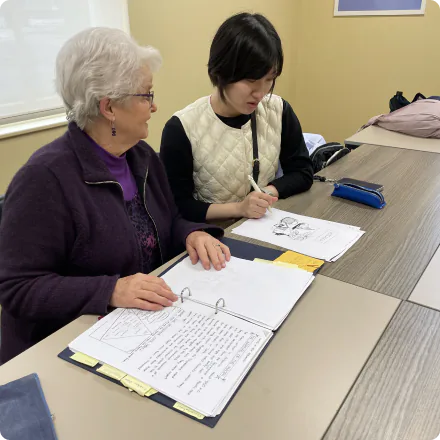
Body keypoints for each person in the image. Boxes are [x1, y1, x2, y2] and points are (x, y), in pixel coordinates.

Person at [0, 28, 230, 364]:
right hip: (66, 350)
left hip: (144, 330)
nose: (155, 106)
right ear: (109, 107)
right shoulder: (44, 179)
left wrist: (192, 233)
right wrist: (110, 290)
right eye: (146, 96)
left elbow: (168, 221)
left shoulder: (142, 156)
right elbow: (17, 288)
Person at [160, 13, 313, 224]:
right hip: (211, 242)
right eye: (251, 80)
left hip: (263, 229)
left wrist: (266, 192)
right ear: (221, 71)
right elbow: (178, 206)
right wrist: (240, 208)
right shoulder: (182, 128)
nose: (260, 93)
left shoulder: (278, 110)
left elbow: (302, 172)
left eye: (269, 79)